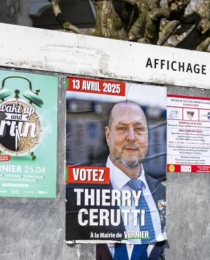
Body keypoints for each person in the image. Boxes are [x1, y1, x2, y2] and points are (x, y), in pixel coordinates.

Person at [66, 101, 166, 244]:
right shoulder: (75, 195)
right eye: (122, 128)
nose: (131, 137)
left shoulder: (163, 193)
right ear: (108, 135)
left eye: (139, 129)